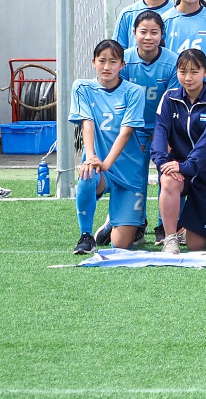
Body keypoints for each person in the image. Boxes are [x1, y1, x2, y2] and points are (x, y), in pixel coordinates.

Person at [71, 40, 148, 255]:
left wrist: (106, 163)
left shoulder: (133, 92)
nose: (107, 66)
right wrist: (91, 157)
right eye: (102, 61)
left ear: (122, 65)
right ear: (93, 62)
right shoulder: (82, 87)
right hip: (98, 167)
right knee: (87, 174)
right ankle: (86, 236)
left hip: (127, 172)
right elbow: (87, 123)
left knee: (120, 246)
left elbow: (126, 132)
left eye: (113, 62)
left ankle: (110, 223)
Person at [151, 48, 206, 253]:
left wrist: (186, 166)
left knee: (196, 245)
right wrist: (162, 164)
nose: (188, 78)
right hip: (177, 169)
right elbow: (159, 133)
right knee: (167, 178)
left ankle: (186, 229)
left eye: (194, 72)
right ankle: (170, 238)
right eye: (182, 71)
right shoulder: (169, 98)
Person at [116, 9, 179, 245]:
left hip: (164, 127)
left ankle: (166, 225)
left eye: (154, 32)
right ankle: (136, 222)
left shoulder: (173, 61)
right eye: (143, 32)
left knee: (168, 174)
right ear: (134, 33)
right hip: (133, 128)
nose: (148, 37)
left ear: (162, 34)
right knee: (136, 177)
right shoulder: (124, 59)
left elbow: (172, 100)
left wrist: (166, 134)